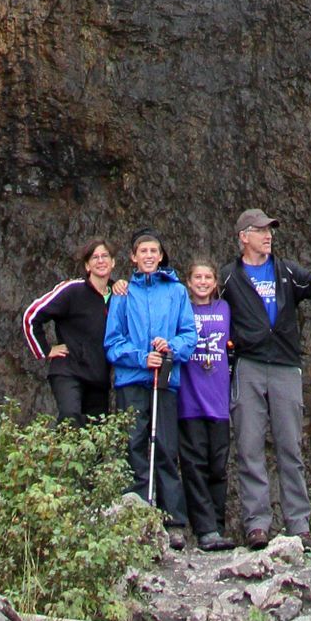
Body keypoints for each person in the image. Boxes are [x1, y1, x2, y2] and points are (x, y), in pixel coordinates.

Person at [223, 208, 311, 548]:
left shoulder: (286, 271)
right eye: (261, 230)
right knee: (248, 446)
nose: (268, 235)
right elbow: (209, 310)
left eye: (270, 230)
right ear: (244, 236)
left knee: (290, 445)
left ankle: (298, 524)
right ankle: (257, 525)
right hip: (247, 365)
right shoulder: (229, 277)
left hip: (286, 366)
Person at [104, 228, 197, 543]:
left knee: (167, 448)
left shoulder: (177, 291)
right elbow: (113, 342)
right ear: (133, 257)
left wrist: (169, 346)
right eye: (142, 251)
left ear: (161, 256)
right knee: (134, 445)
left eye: (153, 251)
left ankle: (174, 522)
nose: (148, 256)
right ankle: (137, 514)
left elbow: (189, 334)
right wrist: (142, 357)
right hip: (132, 379)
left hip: (165, 380)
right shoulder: (122, 292)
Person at [21, 238, 118, 421]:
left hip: (99, 377)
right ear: (87, 266)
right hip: (69, 371)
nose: (100, 260)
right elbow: (31, 316)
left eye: (105, 256)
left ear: (113, 262)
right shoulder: (73, 290)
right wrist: (46, 350)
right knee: (70, 417)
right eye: (94, 257)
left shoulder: (118, 295)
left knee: (96, 435)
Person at [177, 260, 234, 550]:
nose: (202, 281)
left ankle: (218, 526)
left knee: (218, 467)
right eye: (197, 277)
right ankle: (204, 530)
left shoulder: (225, 309)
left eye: (208, 277)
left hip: (219, 401)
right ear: (188, 282)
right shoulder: (181, 310)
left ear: (215, 282)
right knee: (194, 465)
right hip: (189, 400)